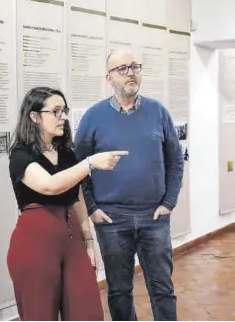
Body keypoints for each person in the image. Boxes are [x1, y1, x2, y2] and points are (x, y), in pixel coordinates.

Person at [74, 50, 184, 321]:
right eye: (123, 68)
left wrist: (169, 202)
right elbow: (79, 168)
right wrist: (92, 207)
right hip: (112, 220)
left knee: (162, 288)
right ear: (108, 78)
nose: (131, 72)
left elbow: (175, 160)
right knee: (119, 290)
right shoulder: (93, 117)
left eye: (135, 66)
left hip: (154, 217)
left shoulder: (158, 112)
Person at [6, 86, 129, 321]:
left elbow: (77, 196)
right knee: (39, 315)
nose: (63, 117)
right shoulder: (20, 156)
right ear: (34, 117)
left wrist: (90, 242)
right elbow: (49, 185)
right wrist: (91, 162)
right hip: (35, 245)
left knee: (88, 312)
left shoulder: (66, 154)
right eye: (56, 111)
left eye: (64, 110)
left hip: (72, 240)